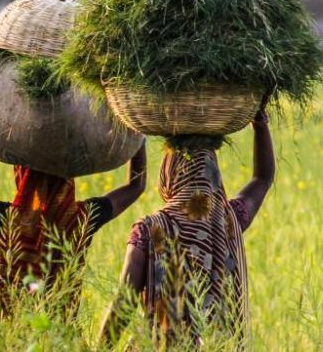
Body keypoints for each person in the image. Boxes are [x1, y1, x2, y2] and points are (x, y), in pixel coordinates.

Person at [0, 94, 147, 313]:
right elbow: (136, 186)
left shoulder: (1, 220)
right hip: (57, 338)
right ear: (68, 176)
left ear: (21, 173)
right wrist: (138, 133)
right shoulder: (80, 220)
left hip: (2, 338)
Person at [98, 104, 274, 349]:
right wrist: (260, 124)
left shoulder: (151, 229)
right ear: (213, 174)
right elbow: (263, 178)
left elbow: (123, 302)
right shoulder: (228, 220)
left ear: (170, 173)